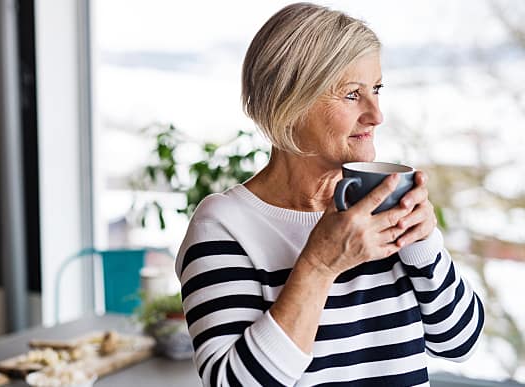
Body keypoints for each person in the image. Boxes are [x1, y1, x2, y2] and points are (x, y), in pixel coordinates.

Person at [175, 3, 484, 386]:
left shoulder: (381, 207)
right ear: (289, 103)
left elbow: (459, 343)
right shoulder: (224, 227)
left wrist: (423, 243)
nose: (376, 114)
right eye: (353, 95)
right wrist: (320, 265)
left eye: (377, 89)